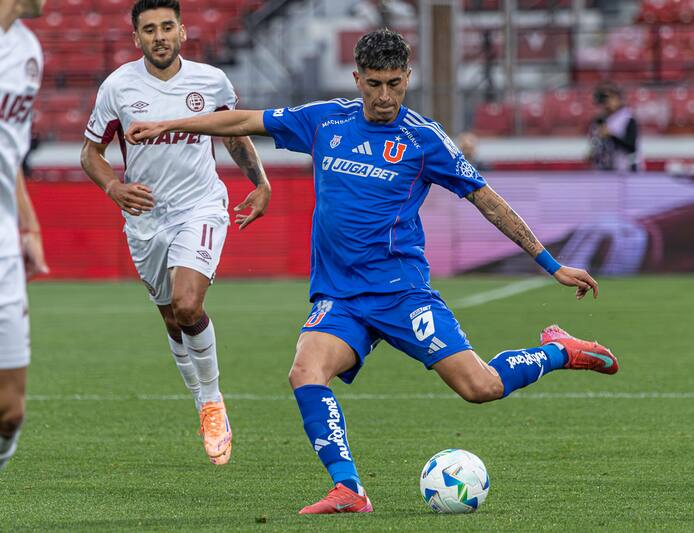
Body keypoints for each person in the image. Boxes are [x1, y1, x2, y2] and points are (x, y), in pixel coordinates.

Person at [126, 29, 619, 513]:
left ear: (407, 78)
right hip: (340, 298)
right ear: (358, 79)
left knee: (480, 388)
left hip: (402, 294)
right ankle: (349, 490)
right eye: (375, 84)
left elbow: (487, 201)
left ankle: (559, 350)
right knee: (305, 372)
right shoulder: (324, 121)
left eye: (395, 84)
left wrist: (551, 264)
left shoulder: (423, 140)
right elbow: (244, 120)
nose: (385, 96)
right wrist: (170, 125)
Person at [80, 0, 271, 466]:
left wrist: (260, 183)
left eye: (167, 26)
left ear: (183, 31)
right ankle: (198, 397)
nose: (160, 36)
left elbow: (234, 133)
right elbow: (90, 153)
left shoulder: (210, 81)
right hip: (145, 219)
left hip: (201, 207)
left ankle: (211, 401)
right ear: (136, 38)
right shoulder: (119, 87)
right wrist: (113, 187)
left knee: (189, 305)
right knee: (171, 319)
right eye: (150, 30)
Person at [0, 0, 49, 470]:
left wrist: (28, 224)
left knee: (10, 414)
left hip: (3, 248)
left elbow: (7, 155)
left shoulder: (29, 50)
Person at [588, 82, 642, 172]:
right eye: (603, 99)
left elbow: (631, 147)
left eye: (610, 98)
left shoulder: (628, 118)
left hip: (625, 170)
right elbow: (597, 144)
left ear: (619, 99)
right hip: (604, 170)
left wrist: (611, 136)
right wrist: (593, 154)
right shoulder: (599, 121)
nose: (606, 102)